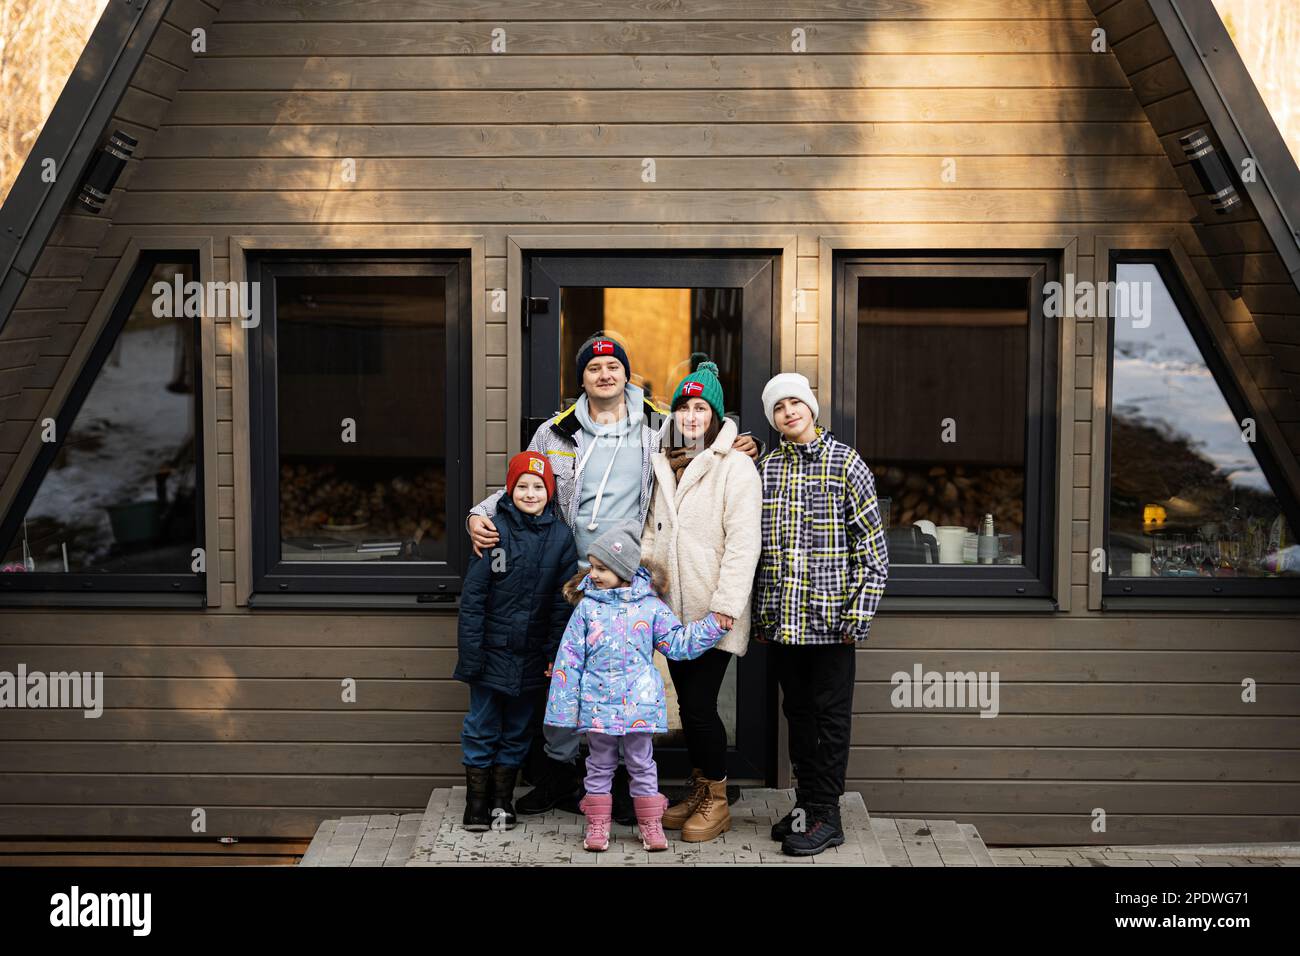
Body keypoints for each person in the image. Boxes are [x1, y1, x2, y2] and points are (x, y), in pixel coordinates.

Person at [465, 334, 758, 819]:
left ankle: (620, 783)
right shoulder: (554, 433)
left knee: (620, 681)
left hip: (624, 583)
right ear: (581, 378)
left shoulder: (656, 428)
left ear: (626, 374)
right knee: (563, 675)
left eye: (614, 367)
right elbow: (522, 483)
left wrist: (750, 440)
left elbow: (706, 433)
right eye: (594, 369)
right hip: (561, 576)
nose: (605, 375)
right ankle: (560, 774)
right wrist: (480, 513)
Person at [752, 372, 889, 856]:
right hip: (783, 625)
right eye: (779, 407)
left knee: (830, 719)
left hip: (832, 625)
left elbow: (873, 551)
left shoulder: (845, 463)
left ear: (811, 407)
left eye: (796, 402)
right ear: (773, 419)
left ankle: (828, 815)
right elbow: (758, 549)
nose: (789, 412)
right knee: (798, 714)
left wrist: (856, 618)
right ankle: (806, 802)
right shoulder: (767, 468)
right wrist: (762, 616)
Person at [544, 522, 730, 852]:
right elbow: (569, 659)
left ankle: (650, 825)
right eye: (593, 566)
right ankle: (598, 825)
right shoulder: (588, 608)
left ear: (624, 570)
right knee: (598, 765)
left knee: (642, 764)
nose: (594, 574)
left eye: (602, 568)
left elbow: (677, 642)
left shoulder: (651, 607)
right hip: (598, 706)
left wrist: (712, 626)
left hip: (637, 708)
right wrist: (564, 707)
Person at [640, 360, 761, 842]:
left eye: (701, 407)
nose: (692, 416)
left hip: (714, 611)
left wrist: (727, 605)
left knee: (699, 704)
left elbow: (742, 543)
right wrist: (645, 585)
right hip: (671, 611)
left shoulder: (735, 466)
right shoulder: (663, 462)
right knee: (689, 709)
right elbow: (652, 533)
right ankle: (700, 786)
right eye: (685, 407)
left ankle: (717, 800)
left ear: (715, 415)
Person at [453, 451, 578, 831]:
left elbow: (561, 606)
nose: (529, 492)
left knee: (519, 727)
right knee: (482, 724)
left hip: (530, 655)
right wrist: (471, 654)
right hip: (490, 652)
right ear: (509, 490)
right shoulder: (495, 532)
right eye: (522, 485)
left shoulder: (560, 538)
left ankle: (502, 800)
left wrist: (553, 654)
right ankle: (477, 801)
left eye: (538, 486)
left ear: (550, 493)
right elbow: (474, 599)